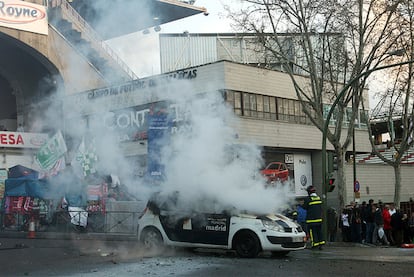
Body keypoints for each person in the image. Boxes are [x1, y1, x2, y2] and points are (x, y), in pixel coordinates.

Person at [303, 185, 325, 250]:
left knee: (312, 232)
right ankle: (321, 244)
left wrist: (301, 205)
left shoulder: (308, 199)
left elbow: (305, 207)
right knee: (319, 232)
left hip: (311, 220)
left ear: (309, 192)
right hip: (319, 220)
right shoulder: (318, 198)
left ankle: (314, 245)